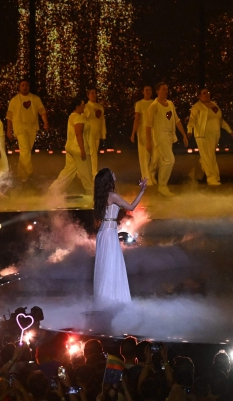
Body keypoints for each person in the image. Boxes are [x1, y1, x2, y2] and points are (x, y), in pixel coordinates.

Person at [93, 168, 147, 305]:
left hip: (103, 233)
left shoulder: (101, 196)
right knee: (111, 265)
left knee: (106, 266)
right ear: (108, 179)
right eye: (112, 173)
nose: (114, 174)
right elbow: (131, 207)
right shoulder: (112, 196)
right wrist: (142, 191)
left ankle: (106, 299)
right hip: (109, 233)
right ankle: (113, 301)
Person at [145, 82, 188, 197]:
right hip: (160, 137)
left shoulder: (170, 104)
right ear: (158, 91)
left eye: (167, 89)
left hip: (169, 136)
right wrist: (149, 142)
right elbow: (148, 126)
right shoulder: (153, 106)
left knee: (164, 161)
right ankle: (162, 186)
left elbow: (177, 120)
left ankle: (158, 179)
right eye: (163, 89)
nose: (166, 91)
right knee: (170, 160)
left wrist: (183, 134)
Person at [48, 94, 94, 195]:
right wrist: (82, 150)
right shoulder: (77, 117)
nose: (84, 107)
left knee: (68, 171)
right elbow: (78, 134)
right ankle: (92, 193)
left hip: (71, 147)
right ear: (77, 106)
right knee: (86, 173)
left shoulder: (72, 116)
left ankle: (53, 190)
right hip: (78, 148)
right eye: (82, 105)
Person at [187, 87, 233, 187]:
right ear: (199, 96)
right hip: (202, 135)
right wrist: (189, 131)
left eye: (207, 92)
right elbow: (192, 120)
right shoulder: (197, 107)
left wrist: (230, 131)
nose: (207, 94)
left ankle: (195, 174)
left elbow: (220, 120)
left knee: (208, 156)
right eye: (204, 93)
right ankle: (212, 178)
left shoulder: (214, 104)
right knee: (208, 156)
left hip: (215, 134)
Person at [5, 79, 49, 180]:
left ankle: (21, 175)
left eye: (26, 85)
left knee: (26, 152)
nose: (25, 87)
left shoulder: (35, 99)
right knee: (25, 151)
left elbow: (42, 111)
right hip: (20, 128)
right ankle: (30, 173)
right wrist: (8, 130)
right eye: (22, 85)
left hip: (32, 128)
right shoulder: (14, 100)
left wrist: (46, 122)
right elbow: (9, 117)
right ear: (19, 87)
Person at [130, 86, 156, 183]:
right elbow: (137, 119)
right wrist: (133, 133)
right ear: (143, 92)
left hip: (154, 131)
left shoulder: (155, 103)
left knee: (155, 155)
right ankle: (146, 178)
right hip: (143, 131)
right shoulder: (139, 104)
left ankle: (152, 175)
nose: (148, 92)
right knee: (144, 156)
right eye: (146, 90)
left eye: (150, 90)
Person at [84, 89, 107, 176]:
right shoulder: (86, 107)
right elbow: (83, 120)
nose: (94, 95)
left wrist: (103, 133)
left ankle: (91, 171)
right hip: (89, 134)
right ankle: (93, 172)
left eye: (95, 93)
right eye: (92, 93)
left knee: (94, 153)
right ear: (88, 95)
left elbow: (102, 121)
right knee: (92, 153)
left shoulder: (100, 107)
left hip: (96, 133)